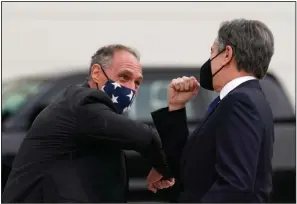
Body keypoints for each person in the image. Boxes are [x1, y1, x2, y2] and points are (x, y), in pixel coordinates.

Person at [2, 44, 174, 203]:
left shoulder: (87, 107)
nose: (130, 88)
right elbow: (145, 136)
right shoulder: (85, 104)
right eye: (124, 77)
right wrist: (162, 168)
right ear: (97, 73)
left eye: (137, 82)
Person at [147, 19, 275, 202]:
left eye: (212, 51)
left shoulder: (240, 102)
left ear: (227, 54)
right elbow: (194, 165)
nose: (209, 61)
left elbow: (235, 186)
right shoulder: (243, 99)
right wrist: (176, 108)